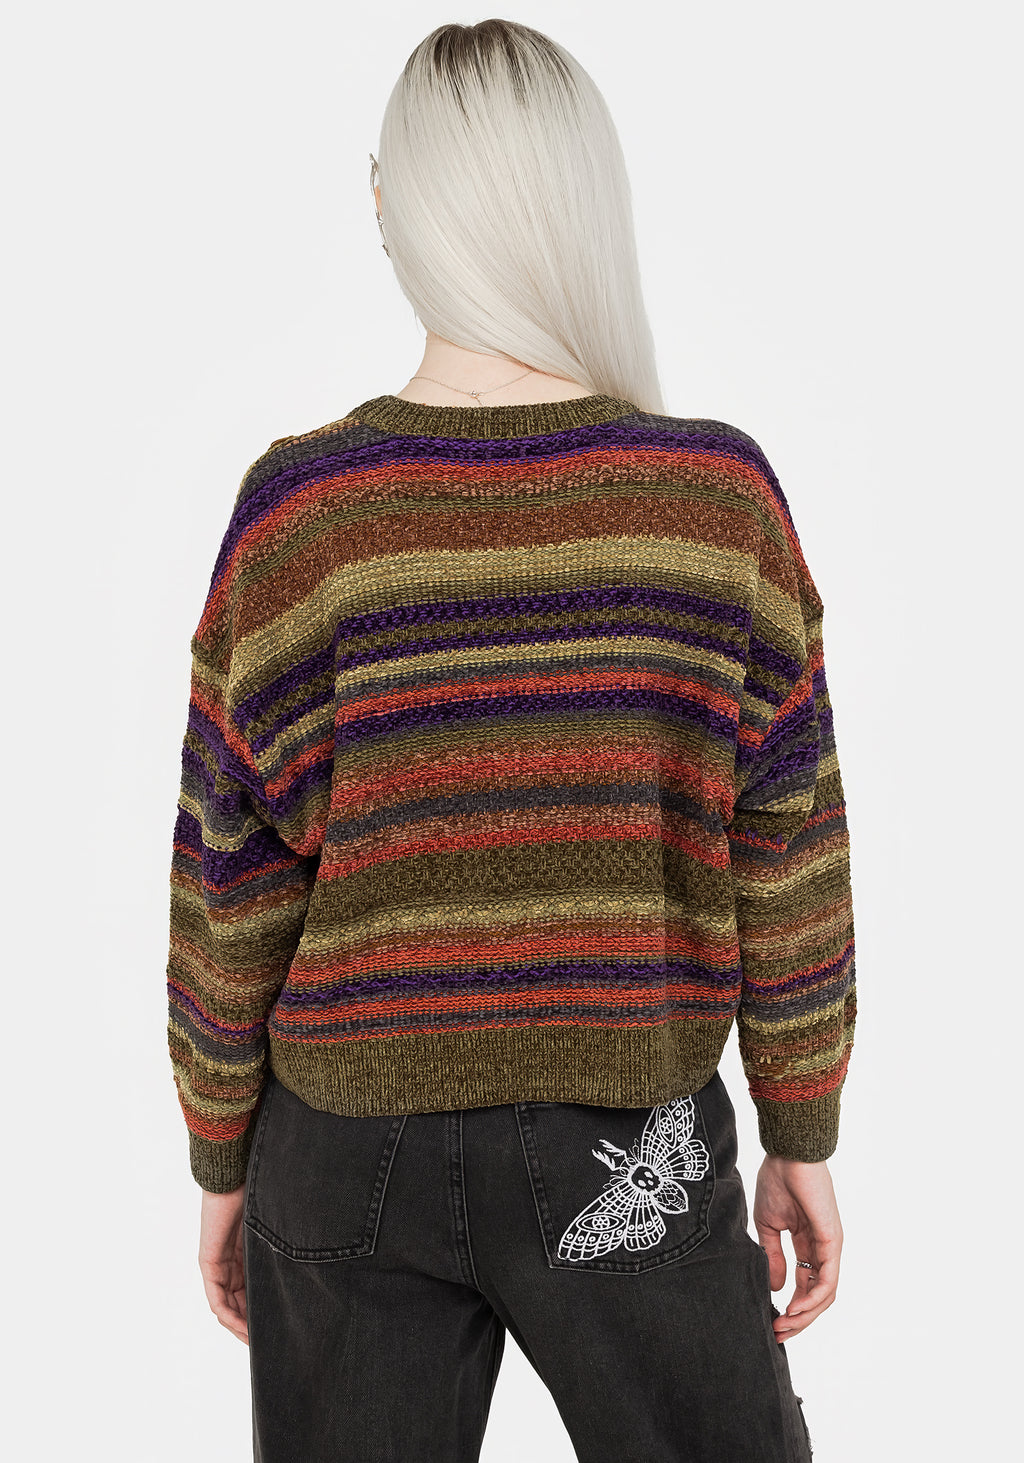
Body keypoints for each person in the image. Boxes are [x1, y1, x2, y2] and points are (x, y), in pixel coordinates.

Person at [166, 19, 856, 1462]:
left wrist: (221, 1149)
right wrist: (799, 1122)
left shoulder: (304, 512)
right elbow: (787, 849)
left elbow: (231, 870)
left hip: (341, 1140)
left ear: (388, 204)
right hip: (628, 1136)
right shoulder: (712, 505)